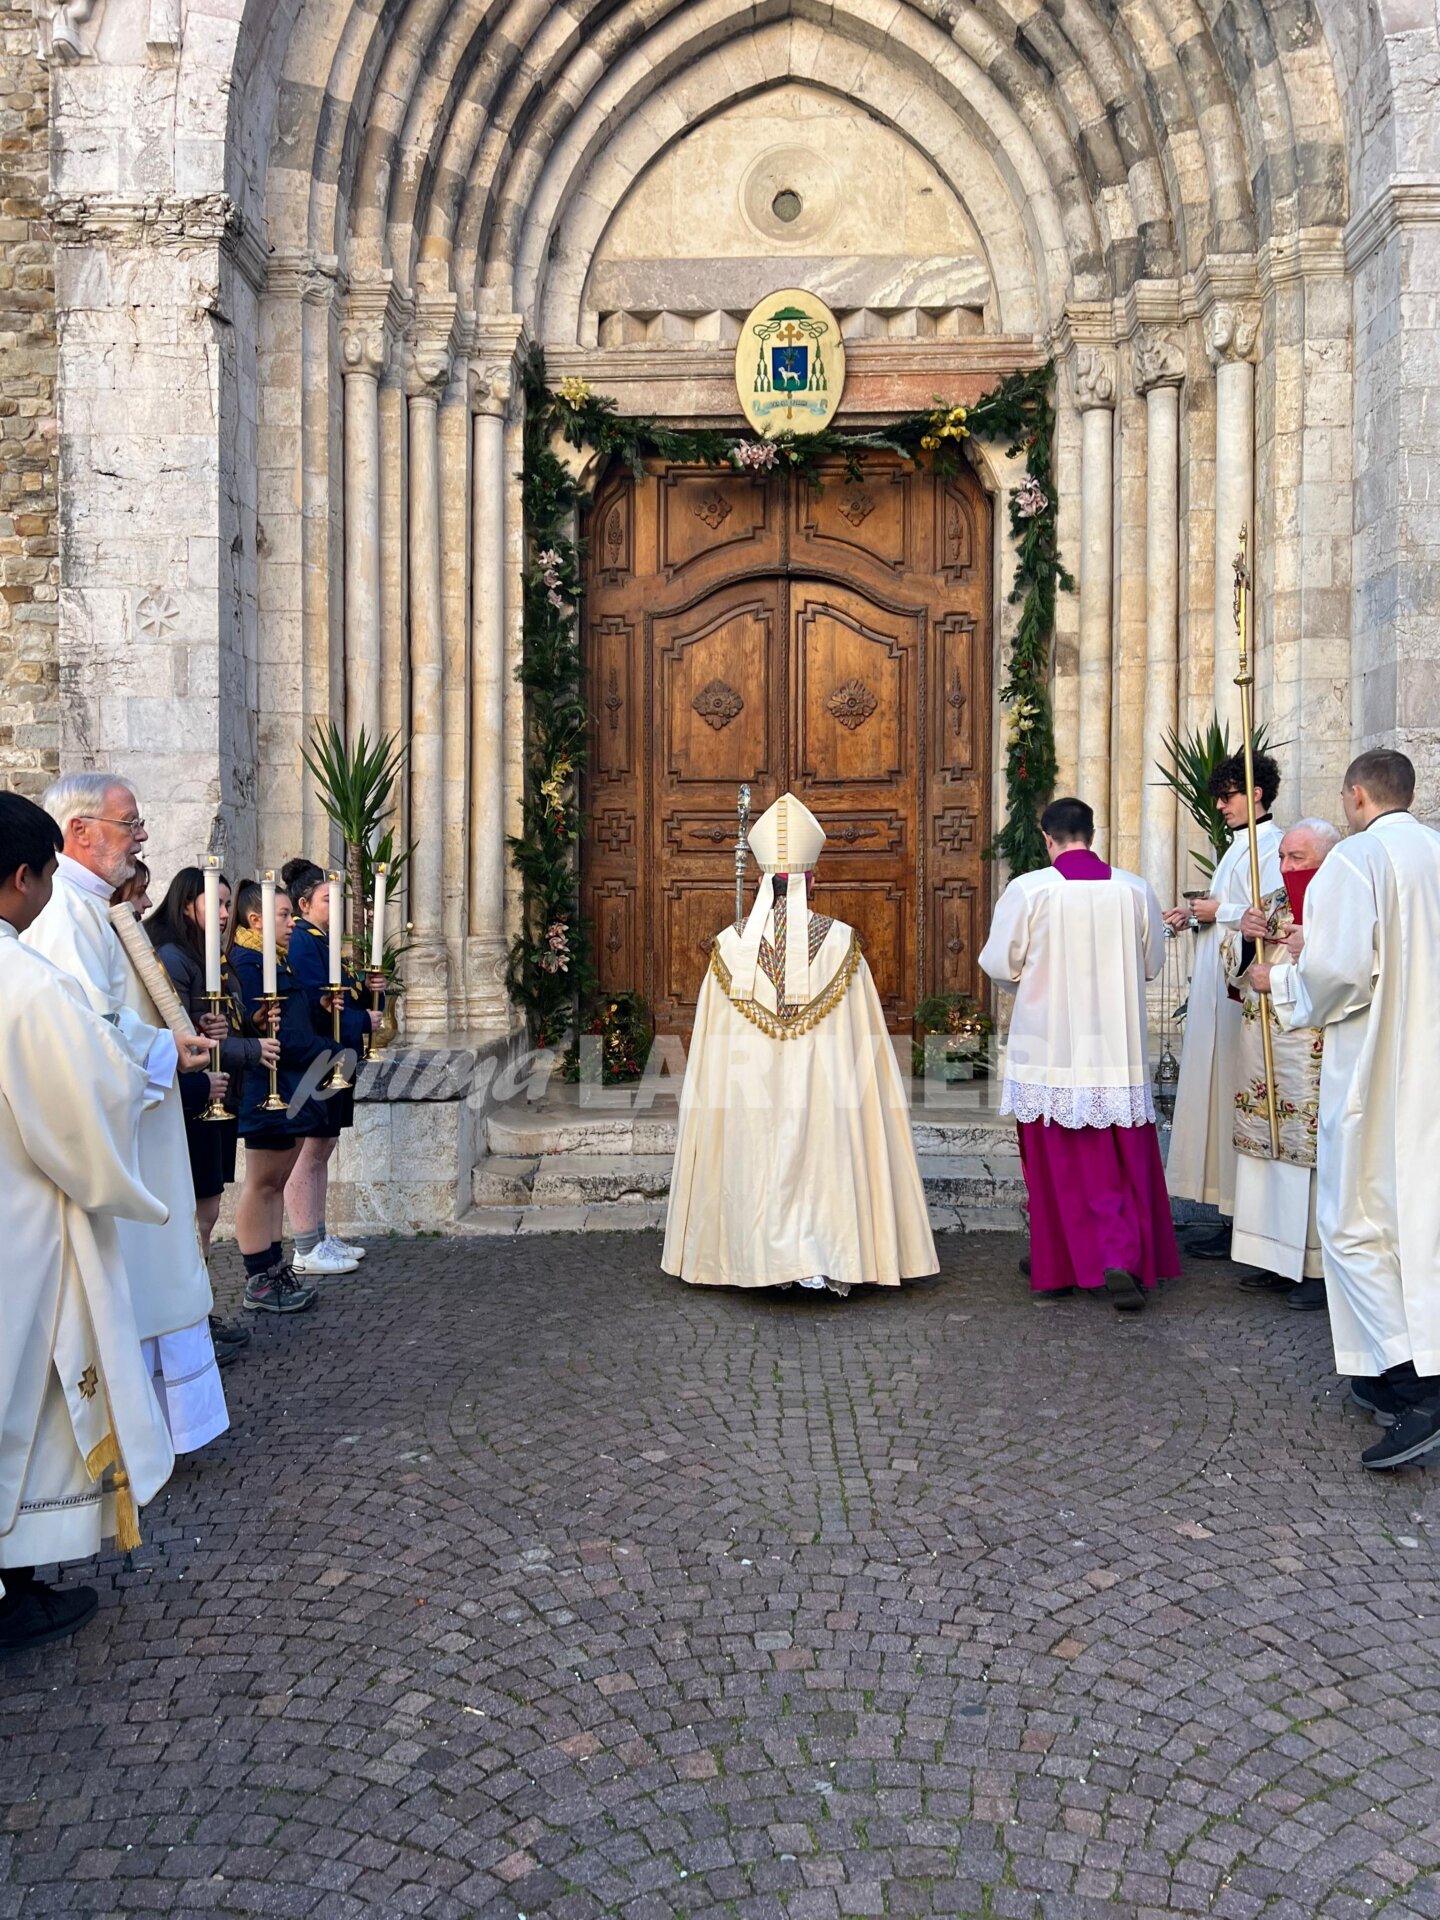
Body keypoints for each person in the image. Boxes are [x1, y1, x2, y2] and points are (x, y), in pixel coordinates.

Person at [0, 793, 175, 1652]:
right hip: (22, 1233)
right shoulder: (25, 984)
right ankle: (14, 1589)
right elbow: (83, 1104)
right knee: (23, 1402)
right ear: (24, 877)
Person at [25, 773, 229, 1459]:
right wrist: (163, 1046)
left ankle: (167, 1429)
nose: (141, 836)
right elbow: (78, 1035)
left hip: (145, 1127)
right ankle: (136, 1436)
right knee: (136, 1285)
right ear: (79, 831)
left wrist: (170, 1036)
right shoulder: (63, 916)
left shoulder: (97, 907)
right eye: (129, 822)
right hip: (117, 1144)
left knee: (160, 1277)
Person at [663, 791, 937, 1295]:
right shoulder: (841, 943)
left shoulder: (729, 947)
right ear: (813, 878)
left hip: (747, 1095)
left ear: (767, 878)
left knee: (753, 1154)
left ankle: (752, 1258)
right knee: (820, 1158)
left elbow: (711, 1048)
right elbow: (865, 1041)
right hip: (826, 1094)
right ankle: (826, 1255)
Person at [1256, 750, 1440, 1470]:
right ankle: (1387, 1374)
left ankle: (1419, 1386)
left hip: (1381, 1068)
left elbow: (1338, 975)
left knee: (1354, 1219)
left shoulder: (1356, 860)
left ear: (1357, 795)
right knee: (1422, 1219)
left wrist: (1284, 980)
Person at [980, 796, 1180, 1310]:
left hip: (1048, 1047)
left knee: (1056, 1160)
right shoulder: (1135, 889)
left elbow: (1000, 962)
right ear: (1092, 834)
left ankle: (1061, 1262)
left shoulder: (1029, 890)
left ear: (1048, 839)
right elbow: (1152, 962)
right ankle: (1117, 1255)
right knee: (1119, 1155)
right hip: (1118, 1048)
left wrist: (1030, 986)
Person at [148, 866, 282, 1361]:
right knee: (198, 1212)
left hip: (219, 1096)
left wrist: (252, 1023)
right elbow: (178, 1038)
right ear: (188, 907)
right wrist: (244, 1052)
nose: (226, 915)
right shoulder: (175, 960)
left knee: (207, 1209)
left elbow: (226, 1027)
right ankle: (190, 1319)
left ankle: (197, 1313)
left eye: (228, 904)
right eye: (217, 904)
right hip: (194, 1100)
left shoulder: (217, 963)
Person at [1163, 751, 1284, 1252]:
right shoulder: (1239, 845)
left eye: (1227, 795)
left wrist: (1219, 909)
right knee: (1220, 1099)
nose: (1219, 805)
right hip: (1218, 996)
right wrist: (1194, 916)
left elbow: (1276, 915)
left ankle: (1246, 1222)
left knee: (1241, 1099)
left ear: (1255, 793)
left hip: (1243, 1001)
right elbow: (1229, 916)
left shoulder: (1274, 845)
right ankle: (1231, 1214)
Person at [1222, 819, 1341, 1310]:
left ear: (1327, 858)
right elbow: (1240, 969)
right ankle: (1275, 1258)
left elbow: (1347, 975)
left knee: (1307, 1154)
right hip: (1261, 1046)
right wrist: (1243, 937)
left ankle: (1315, 1268)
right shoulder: (1270, 901)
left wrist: (1296, 961)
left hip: (1313, 1054)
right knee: (1264, 1148)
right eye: (1284, 857)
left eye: (1298, 857)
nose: (1286, 866)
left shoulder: (1339, 902)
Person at [226, 879, 330, 1313]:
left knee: (277, 1181)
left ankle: (273, 1268)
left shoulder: (276, 960)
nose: (292, 923)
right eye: (284, 915)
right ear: (256, 920)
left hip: (287, 1081)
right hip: (263, 1083)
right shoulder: (248, 963)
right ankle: (257, 1277)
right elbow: (264, 1026)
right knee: (262, 1182)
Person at [279, 858, 377, 1278]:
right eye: (326, 898)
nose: (334, 905)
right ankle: (305, 1246)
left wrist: (374, 998)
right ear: (304, 905)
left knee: (324, 1146)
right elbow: (320, 1009)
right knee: (309, 1150)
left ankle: (319, 1235)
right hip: (322, 1055)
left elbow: (347, 1000)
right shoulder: (304, 943)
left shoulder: (324, 941)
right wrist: (361, 1021)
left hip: (339, 1054)